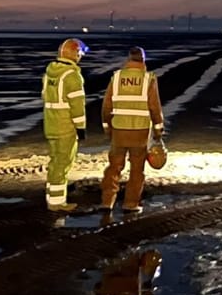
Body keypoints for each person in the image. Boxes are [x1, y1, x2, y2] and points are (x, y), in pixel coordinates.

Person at [99, 46, 165, 211]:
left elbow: (107, 105)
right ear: (143, 60)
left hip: (119, 130)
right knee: (137, 169)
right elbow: (154, 107)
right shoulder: (149, 78)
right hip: (140, 131)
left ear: (128, 59)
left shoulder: (117, 77)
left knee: (114, 167)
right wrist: (158, 130)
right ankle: (131, 204)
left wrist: (107, 126)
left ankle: (107, 202)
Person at [41, 37, 89, 210]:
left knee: (55, 161)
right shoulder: (72, 75)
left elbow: (45, 97)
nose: (80, 57)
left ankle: (51, 194)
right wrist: (81, 128)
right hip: (65, 127)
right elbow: (77, 106)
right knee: (63, 163)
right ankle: (57, 203)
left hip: (50, 124)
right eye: (80, 53)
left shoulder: (50, 73)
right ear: (74, 53)